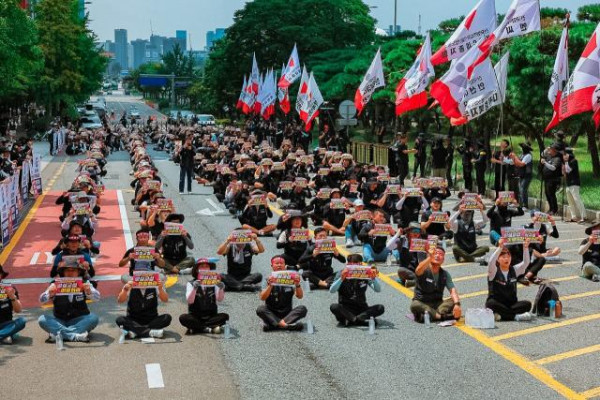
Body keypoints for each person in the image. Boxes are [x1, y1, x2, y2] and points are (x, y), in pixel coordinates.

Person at [38, 262, 100, 343]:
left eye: (73, 270)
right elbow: (41, 300)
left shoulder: (84, 283)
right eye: (67, 270)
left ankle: (59, 334)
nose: (70, 273)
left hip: (79, 319)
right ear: (63, 272)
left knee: (93, 318)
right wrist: (49, 294)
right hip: (60, 320)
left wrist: (88, 291)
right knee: (42, 319)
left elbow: (97, 298)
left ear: (78, 272)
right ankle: (75, 336)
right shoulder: (55, 284)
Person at [485, 238, 534, 321]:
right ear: (498, 259)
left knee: (527, 304)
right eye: (503, 257)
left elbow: (526, 263)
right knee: (490, 304)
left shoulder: (514, 270)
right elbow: (491, 262)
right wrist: (500, 248)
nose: (506, 259)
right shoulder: (493, 271)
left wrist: (525, 248)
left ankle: (502, 315)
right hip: (497, 303)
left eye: (508, 257)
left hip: (511, 304)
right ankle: (515, 316)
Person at [410, 245, 462, 323]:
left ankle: (432, 316)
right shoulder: (424, 269)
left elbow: (452, 290)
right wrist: (429, 257)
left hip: (438, 304)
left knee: (453, 301)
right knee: (414, 305)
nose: (438, 256)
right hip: (423, 303)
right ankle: (441, 317)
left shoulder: (445, 274)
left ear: (443, 260)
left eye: (441, 254)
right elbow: (418, 270)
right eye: (435, 253)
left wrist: (457, 304)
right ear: (429, 256)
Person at [329, 254, 384, 326]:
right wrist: (341, 279)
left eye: (358, 265)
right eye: (353, 266)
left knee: (380, 308)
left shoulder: (364, 274)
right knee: (334, 307)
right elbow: (332, 290)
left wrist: (373, 279)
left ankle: (354, 320)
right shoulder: (341, 273)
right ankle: (358, 320)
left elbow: (377, 289)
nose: (356, 268)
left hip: (361, 307)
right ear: (348, 265)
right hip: (346, 308)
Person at [116, 268, 171, 339]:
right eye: (139, 277)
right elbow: (120, 301)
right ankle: (150, 332)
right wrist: (125, 290)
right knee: (120, 320)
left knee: (167, 318)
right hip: (134, 319)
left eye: (146, 277)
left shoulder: (155, 286)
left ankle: (136, 331)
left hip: (151, 319)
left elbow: (165, 300)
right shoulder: (130, 285)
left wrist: (160, 289)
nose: (143, 280)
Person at [179, 258, 229, 334]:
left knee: (225, 316)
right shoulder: (191, 283)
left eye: (206, 266)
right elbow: (190, 301)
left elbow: (220, 299)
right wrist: (195, 288)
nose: (204, 268)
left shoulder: (214, 282)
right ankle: (209, 328)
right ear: (197, 270)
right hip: (196, 316)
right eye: (202, 266)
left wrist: (221, 288)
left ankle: (197, 328)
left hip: (211, 317)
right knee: (183, 318)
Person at [257, 256, 307, 331]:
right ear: (272, 266)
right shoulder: (267, 279)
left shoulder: (291, 278)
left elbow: (299, 296)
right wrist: (270, 285)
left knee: (302, 309)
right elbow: (262, 297)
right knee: (260, 309)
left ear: (285, 265)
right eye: (277, 263)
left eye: (281, 263)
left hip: (287, 314)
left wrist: (297, 284)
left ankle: (274, 325)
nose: (279, 265)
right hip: (272, 313)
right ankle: (286, 325)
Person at [0, 266, 25, 344]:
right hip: (7, 328)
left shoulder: (10, 288)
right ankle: (6, 335)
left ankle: (5, 334)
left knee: (22, 321)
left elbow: (18, 310)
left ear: (1, 275)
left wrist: (12, 296)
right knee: (13, 335)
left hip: (6, 324)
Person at [563, 148, 586, 223]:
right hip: (568, 184)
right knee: (570, 201)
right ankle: (574, 217)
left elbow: (569, 170)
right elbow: (565, 174)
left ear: (569, 155)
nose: (563, 156)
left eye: (565, 154)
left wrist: (565, 162)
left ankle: (583, 217)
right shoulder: (567, 162)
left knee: (577, 200)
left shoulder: (574, 161)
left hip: (574, 184)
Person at [541, 143, 563, 215]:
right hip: (547, 179)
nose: (549, 150)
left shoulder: (557, 158)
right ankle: (550, 208)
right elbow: (542, 154)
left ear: (555, 150)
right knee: (547, 193)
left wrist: (545, 163)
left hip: (553, 179)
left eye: (551, 149)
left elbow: (553, 168)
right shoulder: (549, 156)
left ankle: (554, 209)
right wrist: (546, 149)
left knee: (551, 194)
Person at [510, 142, 533, 209]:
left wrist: (515, 157)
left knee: (523, 190)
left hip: (527, 175)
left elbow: (521, 164)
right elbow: (517, 164)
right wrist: (513, 158)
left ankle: (525, 205)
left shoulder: (528, 156)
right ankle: (519, 204)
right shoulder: (522, 155)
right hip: (522, 175)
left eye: (522, 148)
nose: (521, 149)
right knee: (520, 190)